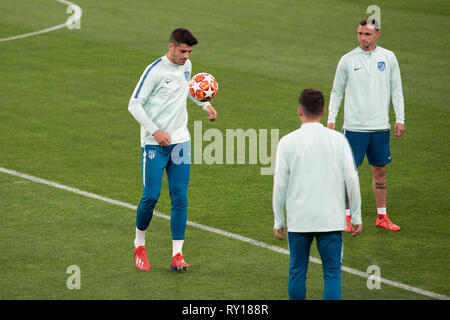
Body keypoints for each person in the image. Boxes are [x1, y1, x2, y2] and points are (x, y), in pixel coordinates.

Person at [128, 28, 217, 271]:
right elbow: (133, 104)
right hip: (154, 145)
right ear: (171, 46)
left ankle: (177, 255)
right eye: (182, 51)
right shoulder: (155, 71)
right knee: (151, 197)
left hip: (180, 142)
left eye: (189, 52)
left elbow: (186, 89)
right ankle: (139, 244)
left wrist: (205, 105)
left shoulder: (187, 66)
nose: (186, 56)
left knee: (180, 197)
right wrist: (155, 130)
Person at [273, 88, 362, 300]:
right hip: (330, 219)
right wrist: (356, 216)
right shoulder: (338, 140)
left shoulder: (287, 141)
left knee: (297, 271)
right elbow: (351, 179)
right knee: (332, 274)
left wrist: (279, 220)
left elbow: (279, 184)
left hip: (299, 219)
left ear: (299, 111)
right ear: (323, 112)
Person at [327, 18, 405, 232]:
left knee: (380, 171)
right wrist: (331, 119)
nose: (363, 38)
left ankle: (382, 216)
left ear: (377, 34)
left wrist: (400, 119)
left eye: (367, 34)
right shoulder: (347, 60)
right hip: (354, 128)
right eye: (360, 34)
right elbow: (337, 91)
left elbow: (396, 89)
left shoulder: (388, 58)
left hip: (380, 127)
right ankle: (345, 218)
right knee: (348, 174)